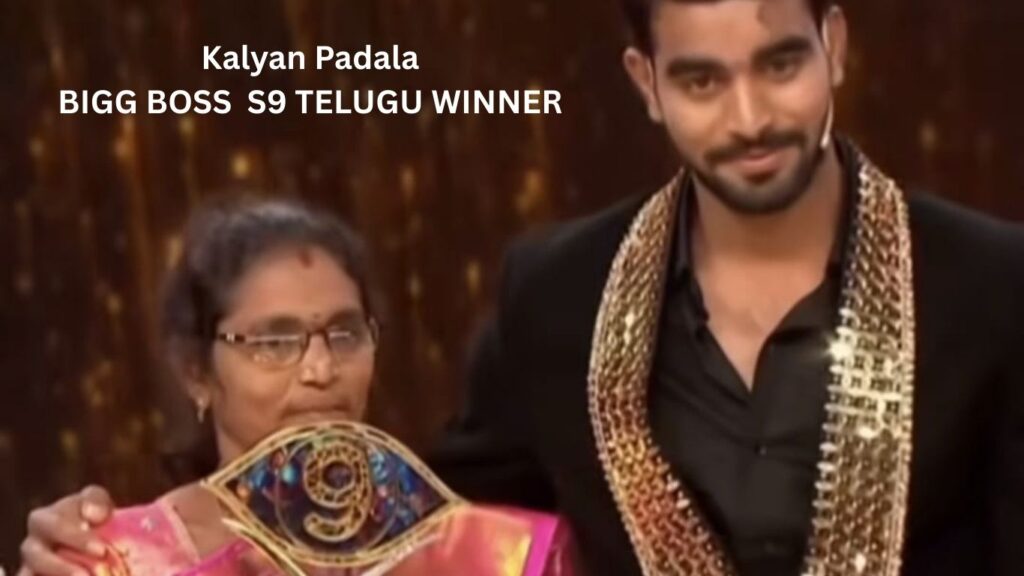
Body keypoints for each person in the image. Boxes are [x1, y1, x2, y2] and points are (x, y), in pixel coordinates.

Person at [18, 0, 1024, 575]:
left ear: (834, 45)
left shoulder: (992, 285)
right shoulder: (559, 293)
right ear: (645, 82)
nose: (751, 115)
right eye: (702, 80)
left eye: (781, 63)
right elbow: (429, 528)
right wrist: (121, 545)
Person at [16, 197, 573, 576]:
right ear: (195, 371)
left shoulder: (496, 553)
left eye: (345, 334)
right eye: (274, 342)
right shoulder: (111, 559)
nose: (321, 370)